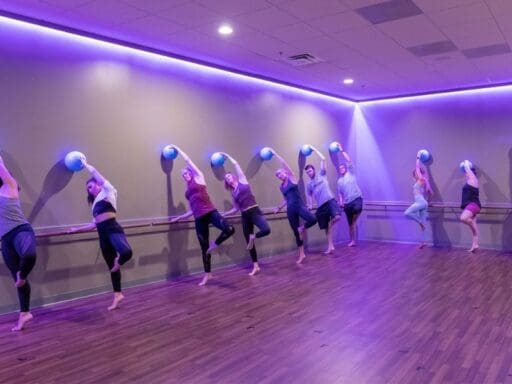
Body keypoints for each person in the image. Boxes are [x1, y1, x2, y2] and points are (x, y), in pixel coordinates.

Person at [69, 159, 132, 310]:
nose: (89, 190)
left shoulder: (108, 192)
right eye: (87, 189)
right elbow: (93, 225)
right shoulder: (95, 205)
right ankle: (117, 295)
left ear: (97, 184)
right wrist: (75, 230)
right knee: (111, 267)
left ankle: (119, 262)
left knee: (126, 252)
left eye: (90, 186)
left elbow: (97, 174)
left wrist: (85, 165)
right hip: (102, 234)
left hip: (113, 229)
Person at [170, 146, 235, 285]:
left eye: (186, 174)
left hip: (211, 212)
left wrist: (177, 149)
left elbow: (188, 161)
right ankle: (208, 274)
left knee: (229, 229)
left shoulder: (199, 178)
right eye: (183, 176)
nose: (185, 176)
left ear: (191, 173)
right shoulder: (187, 191)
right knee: (204, 248)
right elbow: (192, 209)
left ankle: (215, 243)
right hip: (198, 218)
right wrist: (180, 218)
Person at [0, 154, 37, 331]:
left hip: (20, 231)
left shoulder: (10, 186)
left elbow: (1, 166)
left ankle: (22, 277)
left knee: (29, 256)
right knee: (17, 278)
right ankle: (24, 314)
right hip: (5, 240)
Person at [221, 152, 271, 276]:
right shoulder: (233, 193)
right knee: (248, 242)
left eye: (229, 176)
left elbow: (236, 164)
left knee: (266, 229)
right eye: (226, 178)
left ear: (233, 176)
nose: (228, 178)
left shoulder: (243, 181)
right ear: (226, 182)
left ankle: (254, 237)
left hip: (254, 211)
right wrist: (224, 215)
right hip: (245, 215)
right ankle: (255, 266)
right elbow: (235, 209)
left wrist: (227, 156)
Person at [271, 148, 317, 264]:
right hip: (290, 210)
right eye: (278, 176)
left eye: (281, 173)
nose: (280, 176)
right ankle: (301, 254)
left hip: (299, 206)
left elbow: (285, 164)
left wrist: (276, 154)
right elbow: (286, 199)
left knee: (312, 219)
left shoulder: (292, 178)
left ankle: (302, 228)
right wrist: (279, 207)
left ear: (285, 173)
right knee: (296, 233)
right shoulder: (281, 187)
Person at [304, 146, 341, 254]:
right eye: (307, 172)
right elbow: (309, 195)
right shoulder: (309, 184)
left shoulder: (321, 174)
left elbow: (323, 158)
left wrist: (314, 149)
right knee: (325, 227)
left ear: (314, 170)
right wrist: (310, 205)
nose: (309, 173)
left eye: (310, 171)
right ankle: (330, 246)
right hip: (321, 206)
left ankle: (330, 226)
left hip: (330, 201)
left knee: (337, 217)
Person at [336, 144, 363, 247]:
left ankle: (354, 222)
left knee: (354, 218)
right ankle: (352, 241)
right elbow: (340, 193)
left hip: (356, 199)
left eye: (343, 167)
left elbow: (349, 160)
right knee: (350, 223)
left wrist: (341, 150)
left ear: (346, 168)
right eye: (340, 168)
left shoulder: (351, 173)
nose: (341, 169)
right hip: (347, 203)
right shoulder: (339, 181)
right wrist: (341, 202)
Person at [404, 154, 433, 248]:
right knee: (423, 225)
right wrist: (428, 201)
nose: (415, 175)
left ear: (419, 173)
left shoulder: (421, 179)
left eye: (416, 173)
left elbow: (417, 167)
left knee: (407, 213)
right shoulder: (424, 182)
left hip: (420, 202)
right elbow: (431, 193)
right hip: (423, 202)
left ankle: (420, 221)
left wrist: (417, 157)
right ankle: (424, 242)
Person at [460, 160, 481, 252]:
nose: (465, 174)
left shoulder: (473, 179)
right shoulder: (469, 181)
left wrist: (465, 162)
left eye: (466, 173)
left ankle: (473, 225)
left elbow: (467, 169)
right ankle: (475, 245)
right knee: (473, 228)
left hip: (473, 204)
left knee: (463, 218)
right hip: (470, 205)